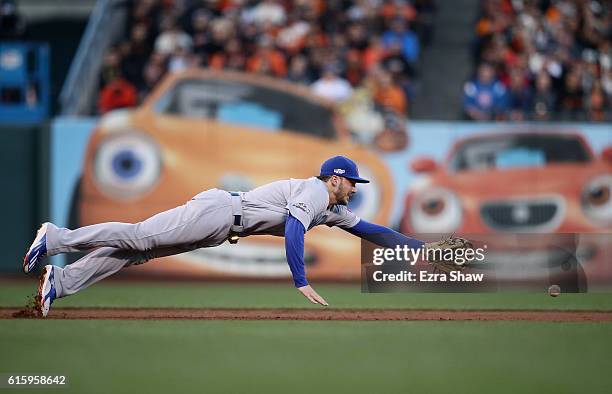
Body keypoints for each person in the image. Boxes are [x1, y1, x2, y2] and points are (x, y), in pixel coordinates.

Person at [24, 156, 425, 317]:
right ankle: (56, 237)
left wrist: (423, 249)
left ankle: (60, 282)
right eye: (352, 182)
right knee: (139, 235)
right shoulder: (316, 191)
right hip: (218, 212)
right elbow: (293, 230)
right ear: (335, 178)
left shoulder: (332, 209)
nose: (355, 188)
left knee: (136, 252)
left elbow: (375, 231)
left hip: (219, 227)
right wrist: (300, 279)